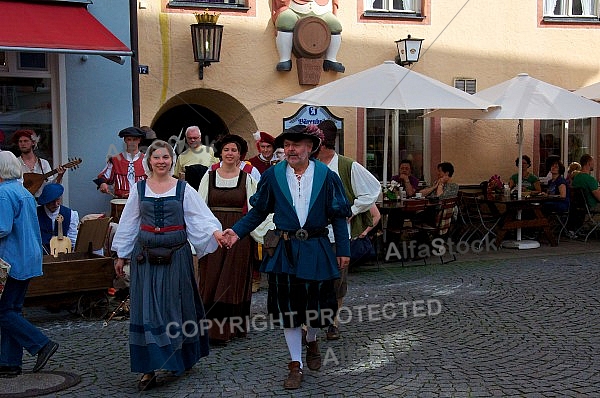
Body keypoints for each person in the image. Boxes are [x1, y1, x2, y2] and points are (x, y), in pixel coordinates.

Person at [222, 124, 351, 390]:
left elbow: (338, 215)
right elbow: (258, 212)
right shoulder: (273, 175)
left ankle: (312, 339)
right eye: (288, 144)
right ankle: (295, 364)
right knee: (289, 311)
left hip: (317, 248)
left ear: (310, 147)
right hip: (286, 250)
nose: (290, 149)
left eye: (297, 144)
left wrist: (344, 250)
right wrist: (236, 231)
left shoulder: (327, 176)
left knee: (318, 310)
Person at [112, 140, 222, 391]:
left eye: (166, 157)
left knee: (175, 306)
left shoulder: (184, 189)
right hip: (145, 258)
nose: (161, 162)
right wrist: (121, 254)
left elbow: (200, 218)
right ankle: (148, 367)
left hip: (176, 256)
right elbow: (129, 222)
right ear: (148, 161)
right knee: (146, 308)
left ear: (172, 160)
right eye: (156, 157)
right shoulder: (139, 189)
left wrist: (215, 233)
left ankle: (182, 356)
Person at [197, 134, 271, 344]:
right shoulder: (208, 176)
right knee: (211, 279)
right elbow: (200, 208)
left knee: (232, 279)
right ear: (221, 152)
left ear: (240, 155)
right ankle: (210, 329)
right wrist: (209, 233)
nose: (230, 154)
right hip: (214, 234)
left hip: (238, 235)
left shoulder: (248, 178)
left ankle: (230, 330)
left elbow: (258, 208)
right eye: (227, 150)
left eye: (234, 150)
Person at [315, 119, 380, 340]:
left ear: (322, 143)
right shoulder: (308, 164)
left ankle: (333, 322)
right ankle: (308, 323)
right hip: (311, 234)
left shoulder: (346, 165)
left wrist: (351, 209)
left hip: (337, 234)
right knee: (309, 279)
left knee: (337, 281)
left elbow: (373, 189)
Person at [0, 151, 60, 378]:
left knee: (4, 312)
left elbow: (2, 227)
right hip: (26, 258)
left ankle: (41, 343)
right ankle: (9, 363)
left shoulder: (4, 193)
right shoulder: (22, 191)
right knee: (12, 311)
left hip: (11, 260)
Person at [271, 0, 345, 73]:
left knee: (335, 26)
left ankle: (331, 59)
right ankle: (285, 59)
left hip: (322, 10)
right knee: (285, 21)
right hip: (295, 9)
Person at [94, 127, 147, 199]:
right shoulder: (115, 160)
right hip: (121, 201)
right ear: (125, 140)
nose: (132, 142)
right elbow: (103, 177)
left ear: (139, 140)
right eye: (129, 139)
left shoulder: (147, 160)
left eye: (135, 139)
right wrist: (102, 183)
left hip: (141, 200)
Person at [14, 129, 64, 198]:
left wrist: (59, 176)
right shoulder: (15, 163)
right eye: (20, 141)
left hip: (40, 203)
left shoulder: (44, 163)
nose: (23, 144)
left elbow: (50, 186)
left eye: (26, 141)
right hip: (22, 202)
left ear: (33, 143)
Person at [36, 183, 79, 254]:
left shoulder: (70, 214)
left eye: (58, 200)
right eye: (52, 201)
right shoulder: (36, 214)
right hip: (42, 255)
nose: (56, 204)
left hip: (63, 254)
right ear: (46, 201)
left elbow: (73, 239)